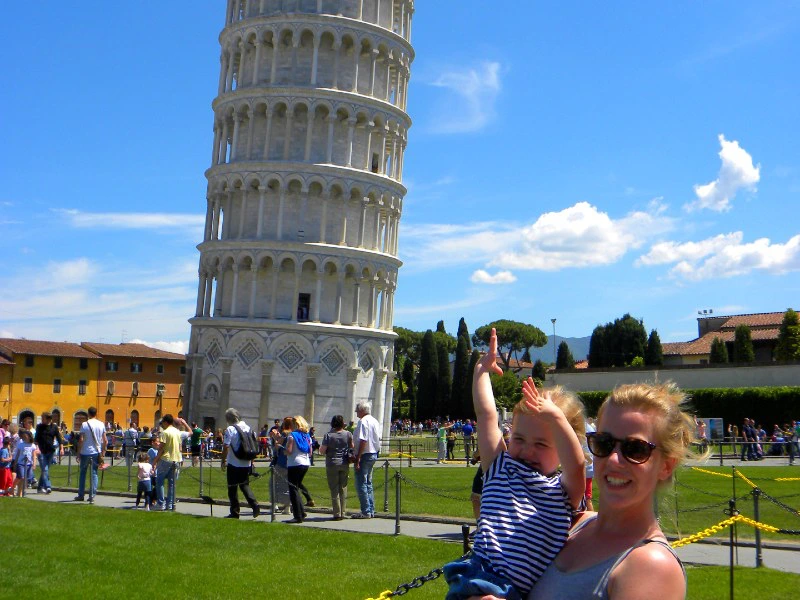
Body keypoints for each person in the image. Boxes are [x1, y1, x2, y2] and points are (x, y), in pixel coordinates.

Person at [444, 327, 586, 600]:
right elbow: (486, 415)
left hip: (512, 592)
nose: (527, 450)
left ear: (564, 447)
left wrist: (556, 418)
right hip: (477, 576)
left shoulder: (564, 492)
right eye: (518, 438)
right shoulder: (500, 466)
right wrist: (481, 372)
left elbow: (577, 465)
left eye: (542, 444)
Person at [524, 382, 697, 599]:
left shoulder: (651, 565)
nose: (614, 460)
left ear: (666, 466)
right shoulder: (572, 524)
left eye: (635, 449)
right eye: (604, 443)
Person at [220, 408, 260, 519]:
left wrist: (223, 460)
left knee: (232, 488)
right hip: (246, 462)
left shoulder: (230, 429)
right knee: (245, 485)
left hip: (234, 462)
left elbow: (226, 446)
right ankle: (254, 504)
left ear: (228, 419)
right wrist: (251, 461)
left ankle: (235, 512)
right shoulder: (248, 427)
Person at [320, 414, 354, 520]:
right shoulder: (348, 434)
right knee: (343, 488)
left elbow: (322, 451)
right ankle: (343, 512)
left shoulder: (328, 435)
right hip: (344, 462)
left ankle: (336, 513)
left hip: (332, 463)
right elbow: (352, 447)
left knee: (334, 488)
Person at [352, 401, 381, 519]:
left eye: (357, 410)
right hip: (374, 453)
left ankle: (366, 511)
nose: (356, 412)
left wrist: (358, 458)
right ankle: (371, 509)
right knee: (368, 482)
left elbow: (363, 440)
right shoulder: (375, 421)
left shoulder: (363, 422)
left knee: (361, 483)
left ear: (362, 410)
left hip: (365, 454)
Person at [284, 415, 313, 523]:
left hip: (294, 463)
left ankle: (297, 516)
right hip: (305, 462)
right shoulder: (307, 435)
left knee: (293, 489)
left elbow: (289, 451)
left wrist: (283, 450)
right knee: (296, 487)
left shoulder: (292, 435)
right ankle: (302, 511)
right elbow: (310, 452)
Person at [75, 407, 107, 503]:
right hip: (96, 452)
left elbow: (81, 440)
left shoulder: (84, 424)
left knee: (82, 473)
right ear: (96, 413)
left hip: (85, 452)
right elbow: (105, 440)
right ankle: (92, 495)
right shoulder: (101, 424)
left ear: (88, 414)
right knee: (94, 474)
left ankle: (81, 494)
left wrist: (78, 453)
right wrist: (103, 452)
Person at [152, 414, 183, 511]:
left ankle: (160, 503)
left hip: (166, 459)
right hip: (176, 459)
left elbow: (161, 449)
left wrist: (155, 460)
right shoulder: (177, 432)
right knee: (171, 483)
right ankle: (170, 504)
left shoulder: (165, 433)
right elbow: (180, 447)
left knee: (159, 481)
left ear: (166, 422)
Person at [35, 411, 63, 494]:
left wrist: (61, 449)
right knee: (45, 469)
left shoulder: (54, 427)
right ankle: (48, 486)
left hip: (51, 451)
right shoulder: (39, 427)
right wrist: (37, 448)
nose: (42, 420)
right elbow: (36, 439)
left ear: (48, 419)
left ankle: (40, 487)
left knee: (45, 470)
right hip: (41, 451)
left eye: (43, 418)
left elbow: (59, 438)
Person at [12, 430, 38, 497]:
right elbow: (17, 454)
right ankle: (12, 488)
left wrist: (34, 464)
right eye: (24, 436)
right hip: (20, 463)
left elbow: (34, 456)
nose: (25, 437)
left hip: (28, 464)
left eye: (26, 436)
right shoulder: (21, 444)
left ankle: (20, 492)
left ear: (29, 437)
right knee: (21, 477)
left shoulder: (32, 445)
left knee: (25, 479)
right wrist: (15, 462)